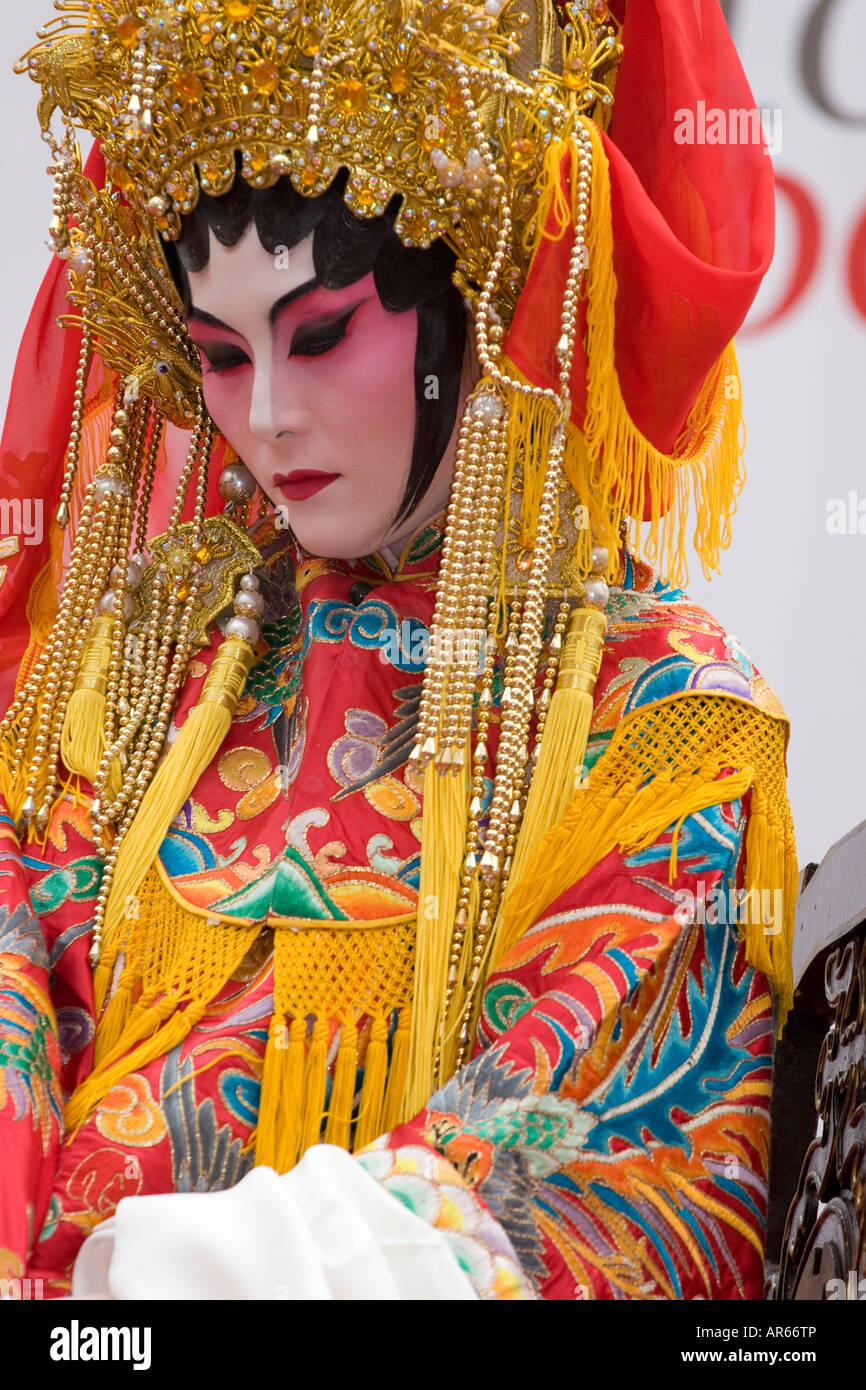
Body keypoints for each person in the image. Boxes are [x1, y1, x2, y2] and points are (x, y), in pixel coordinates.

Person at [0, 0, 796, 1300]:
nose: (264, 413)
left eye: (319, 337)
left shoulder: (650, 722)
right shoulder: (151, 671)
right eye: (216, 352)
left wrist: (238, 1270)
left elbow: (632, 1176)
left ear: (477, 303)